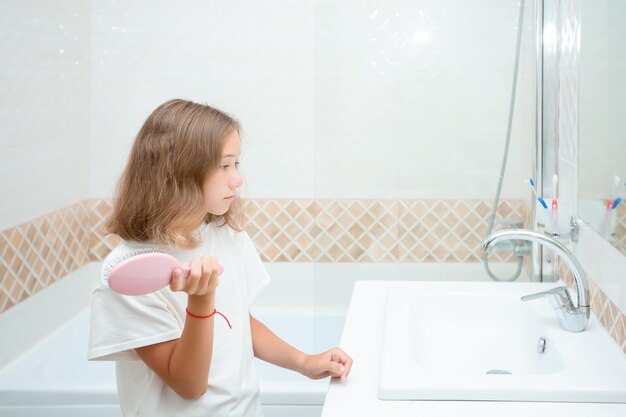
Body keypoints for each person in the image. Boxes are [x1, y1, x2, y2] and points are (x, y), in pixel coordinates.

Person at [88, 99, 352, 417]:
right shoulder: (129, 269)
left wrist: (304, 362)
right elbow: (189, 386)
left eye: (236, 164)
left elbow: (239, 321)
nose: (237, 179)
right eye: (224, 166)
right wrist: (200, 302)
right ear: (180, 173)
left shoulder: (225, 235)